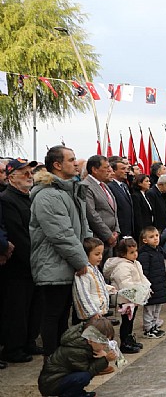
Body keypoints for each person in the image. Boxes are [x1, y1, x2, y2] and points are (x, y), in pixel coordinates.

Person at [30, 146, 93, 357]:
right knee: (53, 316)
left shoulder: (68, 191)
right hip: (54, 266)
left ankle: (63, 362)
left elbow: (81, 227)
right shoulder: (48, 196)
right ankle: (52, 365)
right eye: (71, 159)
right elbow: (61, 235)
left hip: (67, 264)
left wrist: (91, 250)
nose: (76, 163)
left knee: (63, 317)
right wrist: (81, 261)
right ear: (57, 165)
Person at [0, 158, 43, 364]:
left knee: (33, 306)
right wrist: (33, 260)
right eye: (23, 173)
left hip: (34, 263)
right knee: (17, 308)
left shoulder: (30, 197)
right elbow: (18, 234)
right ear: (10, 177)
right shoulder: (6, 199)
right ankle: (13, 348)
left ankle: (29, 341)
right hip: (19, 265)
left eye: (30, 172)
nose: (29, 176)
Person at [37, 317, 117, 397]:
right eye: (103, 343)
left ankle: (78, 393)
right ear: (90, 340)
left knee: (81, 377)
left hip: (59, 379)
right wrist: (105, 359)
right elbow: (89, 371)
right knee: (83, 377)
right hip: (51, 384)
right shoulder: (77, 351)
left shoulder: (82, 344)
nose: (105, 345)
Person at [103, 237, 149, 354]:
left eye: (136, 251)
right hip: (126, 299)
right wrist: (135, 293)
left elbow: (142, 277)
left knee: (131, 320)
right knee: (126, 321)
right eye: (131, 252)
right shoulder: (122, 266)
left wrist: (146, 288)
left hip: (135, 297)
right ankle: (124, 342)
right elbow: (125, 283)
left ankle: (129, 338)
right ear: (123, 254)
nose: (135, 254)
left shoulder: (135, 263)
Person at [81, 155, 120, 259]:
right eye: (106, 167)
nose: (110, 170)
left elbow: (113, 210)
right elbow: (92, 215)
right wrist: (108, 235)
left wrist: (116, 230)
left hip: (111, 239)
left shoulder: (104, 185)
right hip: (97, 240)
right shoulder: (86, 186)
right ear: (94, 169)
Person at [137, 226, 166, 338]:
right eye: (151, 237)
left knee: (157, 308)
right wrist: (147, 286)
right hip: (151, 286)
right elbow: (144, 272)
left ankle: (155, 325)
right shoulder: (145, 254)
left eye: (156, 236)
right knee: (149, 309)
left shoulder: (159, 250)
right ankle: (148, 328)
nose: (155, 238)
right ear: (145, 240)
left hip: (159, 284)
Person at [72, 238, 113, 324]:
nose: (100, 257)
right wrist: (92, 312)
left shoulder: (94, 268)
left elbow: (98, 285)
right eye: (97, 254)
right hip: (91, 316)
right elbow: (83, 294)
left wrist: (109, 288)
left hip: (99, 312)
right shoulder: (84, 272)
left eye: (101, 254)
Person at [106, 156, 136, 239]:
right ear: (114, 171)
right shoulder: (110, 187)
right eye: (123, 169)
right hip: (119, 232)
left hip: (129, 230)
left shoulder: (124, 186)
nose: (126, 171)